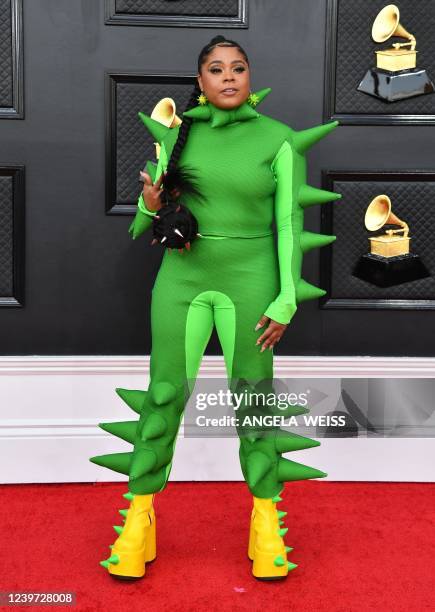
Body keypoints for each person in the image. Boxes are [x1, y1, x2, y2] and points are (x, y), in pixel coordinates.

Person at [91, 35, 340, 581]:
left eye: (238, 68)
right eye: (215, 70)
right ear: (199, 82)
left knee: (252, 401)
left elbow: (287, 225)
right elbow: (146, 221)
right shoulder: (179, 136)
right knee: (163, 397)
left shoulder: (278, 139)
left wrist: (285, 299)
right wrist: (149, 202)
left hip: (251, 283)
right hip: (181, 280)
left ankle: (266, 520)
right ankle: (138, 517)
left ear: (250, 79)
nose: (228, 77)